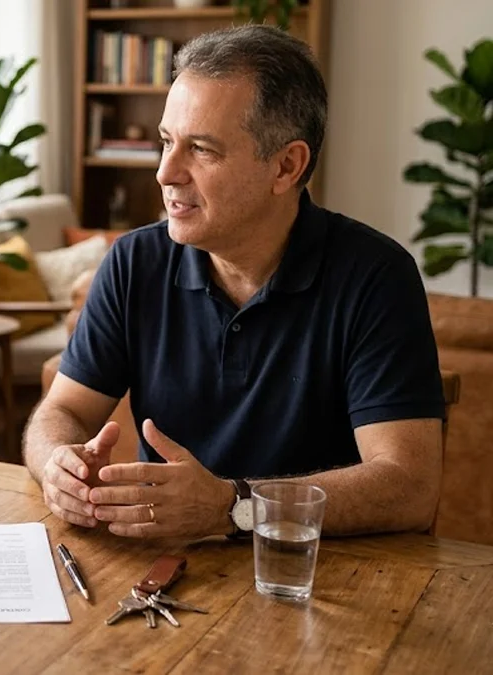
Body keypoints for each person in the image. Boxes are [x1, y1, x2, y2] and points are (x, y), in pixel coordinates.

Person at [23, 25, 445, 541]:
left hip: (315, 569)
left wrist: (234, 507)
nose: (165, 173)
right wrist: (56, 464)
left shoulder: (377, 277)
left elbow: (408, 487)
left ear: (286, 166)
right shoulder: (133, 261)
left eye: (201, 149)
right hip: (161, 560)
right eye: (166, 141)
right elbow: (63, 409)